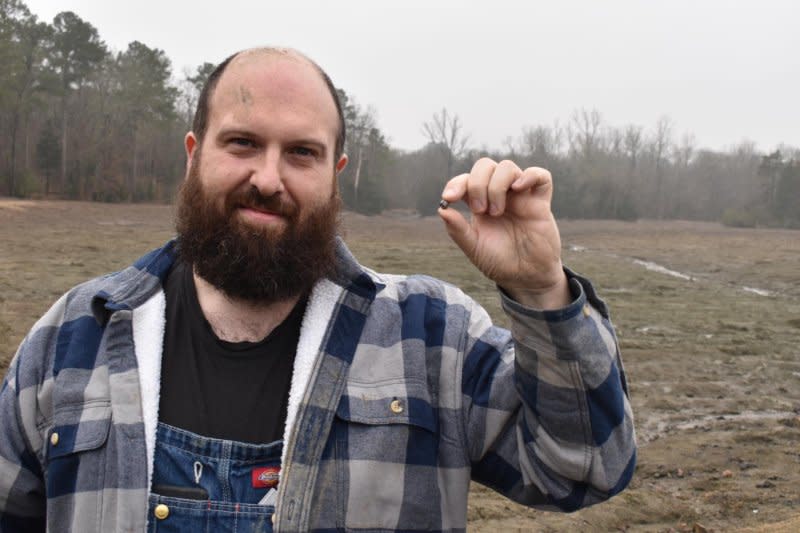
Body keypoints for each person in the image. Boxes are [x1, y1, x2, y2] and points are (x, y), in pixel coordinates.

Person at [0, 47, 635, 532]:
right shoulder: (74, 336)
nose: (268, 179)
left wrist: (540, 288)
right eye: (243, 142)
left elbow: (583, 469)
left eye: (301, 153)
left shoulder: (431, 337)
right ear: (194, 154)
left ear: (335, 175)